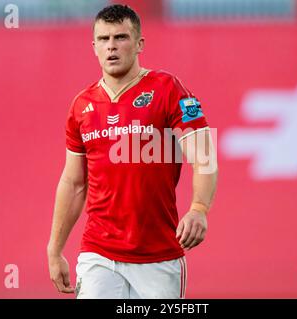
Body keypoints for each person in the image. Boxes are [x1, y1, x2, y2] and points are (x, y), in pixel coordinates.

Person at [47, 4, 218, 299]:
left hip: (158, 255)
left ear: (139, 44)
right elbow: (74, 183)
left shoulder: (168, 89)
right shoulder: (81, 106)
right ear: (94, 47)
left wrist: (199, 209)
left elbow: (203, 156)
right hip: (98, 253)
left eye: (120, 37)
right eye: (103, 39)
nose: (111, 46)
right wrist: (55, 249)